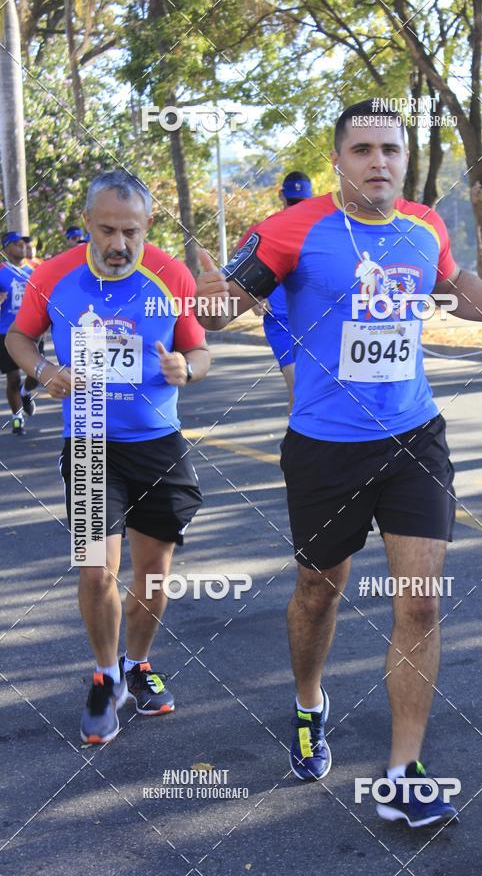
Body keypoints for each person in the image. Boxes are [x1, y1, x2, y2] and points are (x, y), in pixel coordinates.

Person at [195, 99, 482, 828]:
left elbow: (464, 294)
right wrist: (204, 292)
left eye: (390, 149)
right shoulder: (293, 230)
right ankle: (308, 702)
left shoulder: (423, 226)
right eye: (363, 150)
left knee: (419, 599)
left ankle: (403, 771)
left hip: (413, 438)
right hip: (325, 448)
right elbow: (219, 310)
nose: (379, 162)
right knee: (319, 592)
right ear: (339, 161)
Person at [7, 170, 210, 744]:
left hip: (158, 446)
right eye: (106, 230)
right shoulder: (53, 274)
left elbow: (198, 350)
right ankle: (103, 674)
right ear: (88, 224)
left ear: (147, 225)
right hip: (91, 440)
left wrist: (186, 370)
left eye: (131, 231)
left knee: (154, 570)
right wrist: (45, 371)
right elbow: (19, 338)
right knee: (98, 567)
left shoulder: (171, 273)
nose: (118, 244)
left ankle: (136, 665)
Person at [242, 172, 313, 411]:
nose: (295, 208)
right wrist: (253, 298)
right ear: (281, 196)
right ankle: (297, 447)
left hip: (317, 324)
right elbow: (239, 275)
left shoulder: (323, 233)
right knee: (299, 393)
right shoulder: (263, 230)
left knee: (320, 396)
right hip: (280, 322)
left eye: (301, 203)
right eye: (292, 202)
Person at [0, 232, 39, 434]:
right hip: (5, 332)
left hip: (33, 331)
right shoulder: (0, 271)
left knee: (36, 374)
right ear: (6, 248)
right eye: (16, 243)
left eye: (24, 243)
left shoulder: (36, 270)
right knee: (13, 377)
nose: (22, 246)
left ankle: (26, 392)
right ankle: (17, 419)